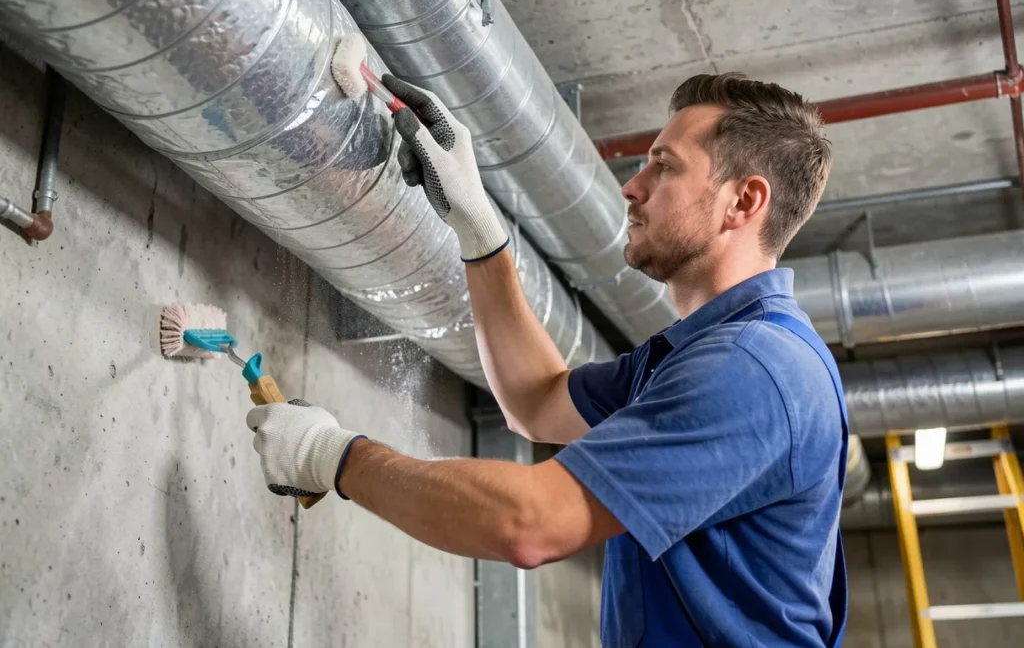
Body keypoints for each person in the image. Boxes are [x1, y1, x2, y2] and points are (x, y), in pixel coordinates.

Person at [245, 72, 847, 646]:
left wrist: (331, 457)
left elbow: (526, 524)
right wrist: (477, 225)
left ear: (744, 201)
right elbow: (537, 400)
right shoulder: (698, 354)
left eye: (665, 166)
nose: (632, 186)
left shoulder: (754, 368)